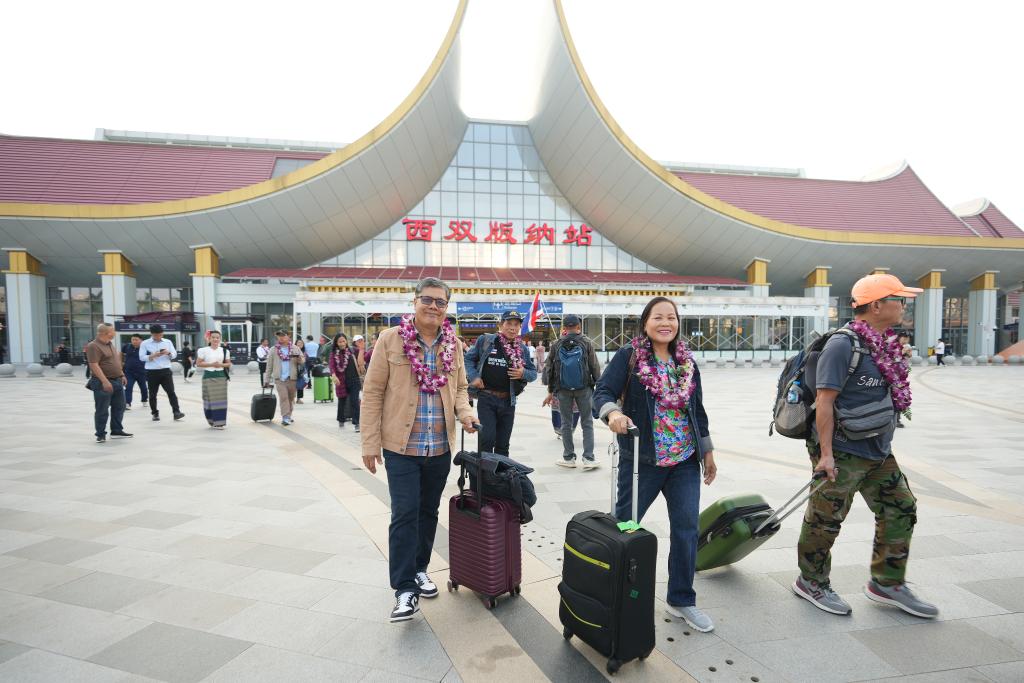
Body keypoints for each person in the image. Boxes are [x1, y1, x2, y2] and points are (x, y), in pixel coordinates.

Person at [794, 274, 938, 619]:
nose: (904, 305)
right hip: (842, 449)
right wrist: (825, 455)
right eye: (898, 299)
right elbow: (825, 402)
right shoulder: (842, 345)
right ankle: (810, 581)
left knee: (901, 507)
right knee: (825, 519)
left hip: (877, 449)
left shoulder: (884, 344)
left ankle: (887, 582)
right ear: (876, 305)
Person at [594, 296, 717, 632]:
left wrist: (707, 451)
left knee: (687, 530)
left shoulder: (687, 362)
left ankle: (681, 599)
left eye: (671, 317)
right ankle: (610, 593)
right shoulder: (630, 356)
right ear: (645, 323)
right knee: (625, 526)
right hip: (642, 459)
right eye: (658, 317)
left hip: (685, 461)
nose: (666, 323)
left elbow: (698, 410)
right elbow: (602, 392)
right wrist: (613, 413)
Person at [361, 277, 476, 623]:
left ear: (446, 308)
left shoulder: (453, 345)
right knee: (404, 513)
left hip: (439, 446)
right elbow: (373, 392)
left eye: (440, 302)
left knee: (428, 512)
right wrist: (369, 442)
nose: (433, 307)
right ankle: (404, 588)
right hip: (401, 446)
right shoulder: (390, 339)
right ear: (414, 302)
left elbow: (460, 388)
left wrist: (466, 414)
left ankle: (420, 568)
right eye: (427, 299)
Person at [465, 310, 538, 456]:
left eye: (516, 324)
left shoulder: (522, 348)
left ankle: (501, 471)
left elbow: (533, 374)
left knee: (503, 444)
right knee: (487, 439)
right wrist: (474, 377)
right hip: (487, 398)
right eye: (509, 323)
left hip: (508, 401)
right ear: (500, 325)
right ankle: (483, 470)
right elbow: (469, 359)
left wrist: (523, 373)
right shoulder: (486, 341)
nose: (512, 328)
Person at [544, 314, 602, 469]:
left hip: (563, 389)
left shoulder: (557, 344)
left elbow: (549, 368)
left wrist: (550, 390)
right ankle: (588, 458)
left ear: (564, 328)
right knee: (587, 423)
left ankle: (569, 457)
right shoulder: (586, 342)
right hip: (584, 388)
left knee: (566, 423)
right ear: (578, 327)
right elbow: (594, 366)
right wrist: (599, 386)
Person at [86, 323, 132, 443]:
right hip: (102, 382)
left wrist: (121, 374)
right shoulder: (93, 346)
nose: (114, 333)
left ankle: (116, 430)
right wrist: (105, 381)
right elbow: (94, 365)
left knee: (120, 406)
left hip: (117, 380)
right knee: (102, 409)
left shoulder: (110, 344)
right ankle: (100, 434)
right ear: (106, 333)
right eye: (113, 331)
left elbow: (115, 361)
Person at [139, 324, 184, 422]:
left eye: (160, 334)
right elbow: (141, 357)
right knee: (152, 394)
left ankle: (176, 412)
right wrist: (153, 355)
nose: (159, 337)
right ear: (152, 334)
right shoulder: (145, 343)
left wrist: (168, 353)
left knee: (171, 392)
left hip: (165, 371)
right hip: (152, 372)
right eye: (156, 335)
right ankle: (155, 413)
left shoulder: (167, 342)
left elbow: (174, 355)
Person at [264, 330, 305, 426]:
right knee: (284, 398)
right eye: (279, 336)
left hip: (292, 378)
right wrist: (266, 380)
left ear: (288, 336)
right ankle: (285, 417)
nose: (281, 338)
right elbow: (269, 366)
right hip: (279, 379)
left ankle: (289, 415)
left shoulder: (295, 348)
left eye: (283, 335)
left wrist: (299, 358)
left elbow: (302, 361)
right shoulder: (273, 349)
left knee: (290, 398)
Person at [196, 330, 231, 429]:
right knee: (208, 400)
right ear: (209, 338)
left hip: (221, 377)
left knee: (221, 400)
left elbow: (228, 364)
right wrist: (211, 364)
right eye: (213, 337)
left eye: (217, 337)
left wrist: (220, 365)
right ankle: (211, 421)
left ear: (220, 339)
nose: (215, 339)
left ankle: (219, 422)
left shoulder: (225, 350)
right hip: (208, 377)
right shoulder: (203, 350)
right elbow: (198, 363)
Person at [329, 333, 362, 431]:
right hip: (341, 381)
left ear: (346, 341)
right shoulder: (333, 353)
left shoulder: (353, 350)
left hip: (354, 379)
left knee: (355, 401)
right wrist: (333, 375)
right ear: (336, 343)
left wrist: (362, 349)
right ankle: (341, 420)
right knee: (342, 401)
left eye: (344, 341)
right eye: (340, 342)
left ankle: (357, 423)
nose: (342, 343)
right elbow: (332, 365)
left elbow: (362, 358)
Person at [121, 333, 148, 410]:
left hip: (141, 372)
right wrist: (121, 362)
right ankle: (127, 403)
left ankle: (144, 400)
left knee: (143, 388)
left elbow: (150, 357)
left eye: (136, 340)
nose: (134, 341)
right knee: (128, 387)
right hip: (129, 372)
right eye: (132, 339)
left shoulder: (145, 348)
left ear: (141, 340)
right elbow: (121, 354)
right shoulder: (127, 346)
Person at [294, 337, 308, 404]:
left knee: (301, 384)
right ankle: (292, 398)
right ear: (296, 344)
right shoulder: (293, 351)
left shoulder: (304, 352)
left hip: (302, 371)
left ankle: (299, 399)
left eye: (301, 343)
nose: (300, 344)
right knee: (293, 384)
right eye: (298, 343)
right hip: (294, 369)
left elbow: (306, 361)